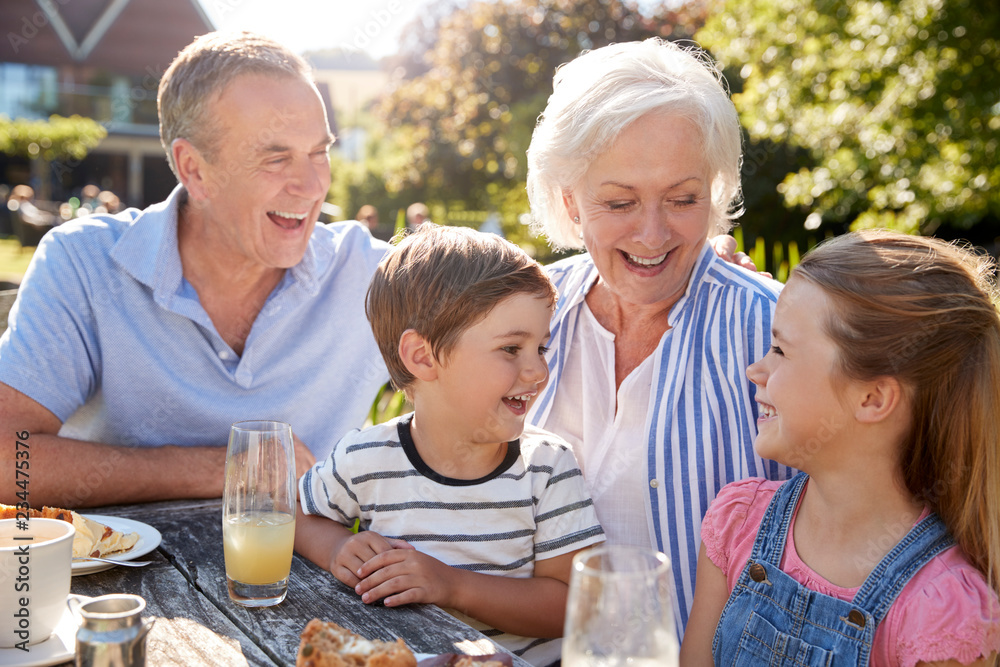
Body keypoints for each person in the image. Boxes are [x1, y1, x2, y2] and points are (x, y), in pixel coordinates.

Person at [0, 32, 390, 508]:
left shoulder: (369, 273)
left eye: (319, 152)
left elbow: (498, 339)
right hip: (120, 578)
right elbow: (7, 461)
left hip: (308, 580)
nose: (312, 186)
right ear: (195, 170)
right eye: (275, 157)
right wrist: (224, 466)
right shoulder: (83, 263)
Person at [524, 37, 794, 633]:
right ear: (570, 203)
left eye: (683, 198)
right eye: (619, 202)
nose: (652, 235)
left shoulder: (773, 331)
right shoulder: (524, 312)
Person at [682, 230, 1000, 665]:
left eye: (780, 349)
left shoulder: (941, 611)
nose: (756, 369)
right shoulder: (736, 522)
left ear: (871, 399)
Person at [296, 224, 605, 667]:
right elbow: (297, 515)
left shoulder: (546, 468)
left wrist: (451, 585)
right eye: (512, 348)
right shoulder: (365, 459)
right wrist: (335, 549)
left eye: (541, 347)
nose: (537, 370)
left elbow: (575, 604)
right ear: (422, 357)